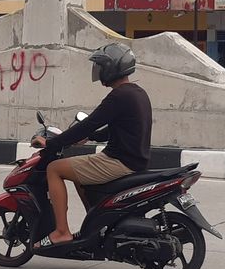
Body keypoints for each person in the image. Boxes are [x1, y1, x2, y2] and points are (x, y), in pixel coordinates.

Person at [31, 43, 152, 249]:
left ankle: (61, 232)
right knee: (80, 177)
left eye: (101, 66)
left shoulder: (118, 96)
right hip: (134, 160)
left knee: (54, 169)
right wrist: (92, 137)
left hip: (118, 161)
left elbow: (88, 123)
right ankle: (96, 227)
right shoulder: (137, 92)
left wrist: (51, 144)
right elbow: (120, 126)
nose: (98, 72)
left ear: (112, 68)